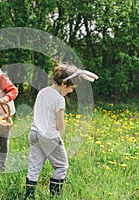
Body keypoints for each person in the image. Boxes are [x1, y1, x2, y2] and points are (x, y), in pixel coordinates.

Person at [24, 63, 98, 199]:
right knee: (61, 166)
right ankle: (55, 195)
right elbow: (59, 124)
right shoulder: (59, 99)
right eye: (71, 88)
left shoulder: (42, 92)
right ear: (64, 83)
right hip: (49, 136)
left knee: (34, 166)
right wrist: (61, 136)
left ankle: (28, 196)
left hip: (34, 133)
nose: (71, 91)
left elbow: (35, 111)